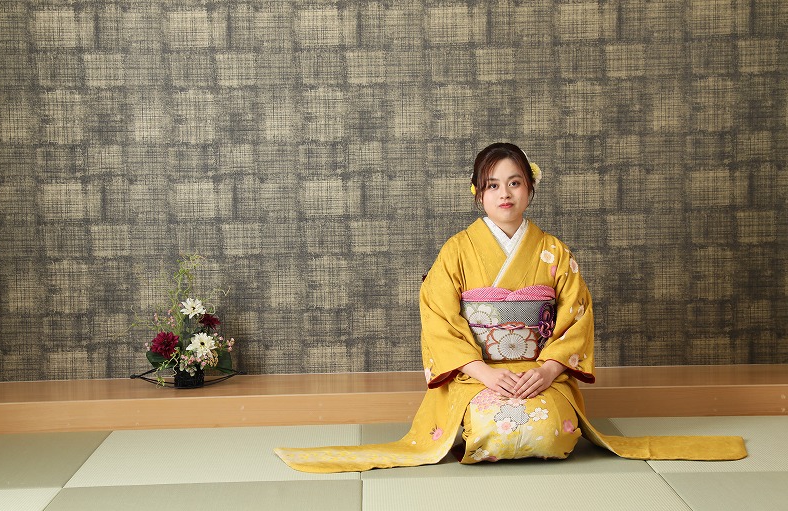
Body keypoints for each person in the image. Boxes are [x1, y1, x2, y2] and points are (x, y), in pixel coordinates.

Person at [275, 142, 746, 473]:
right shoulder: (456, 251)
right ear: (478, 193)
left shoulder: (554, 252)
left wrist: (548, 369)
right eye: (493, 185)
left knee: (554, 431)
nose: (505, 194)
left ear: (530, 189)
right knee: (490, 428)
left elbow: (576, 315)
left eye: (515, 183)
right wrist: (484, 373)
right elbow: (439, 317)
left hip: (540, 372)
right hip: (476, 375)